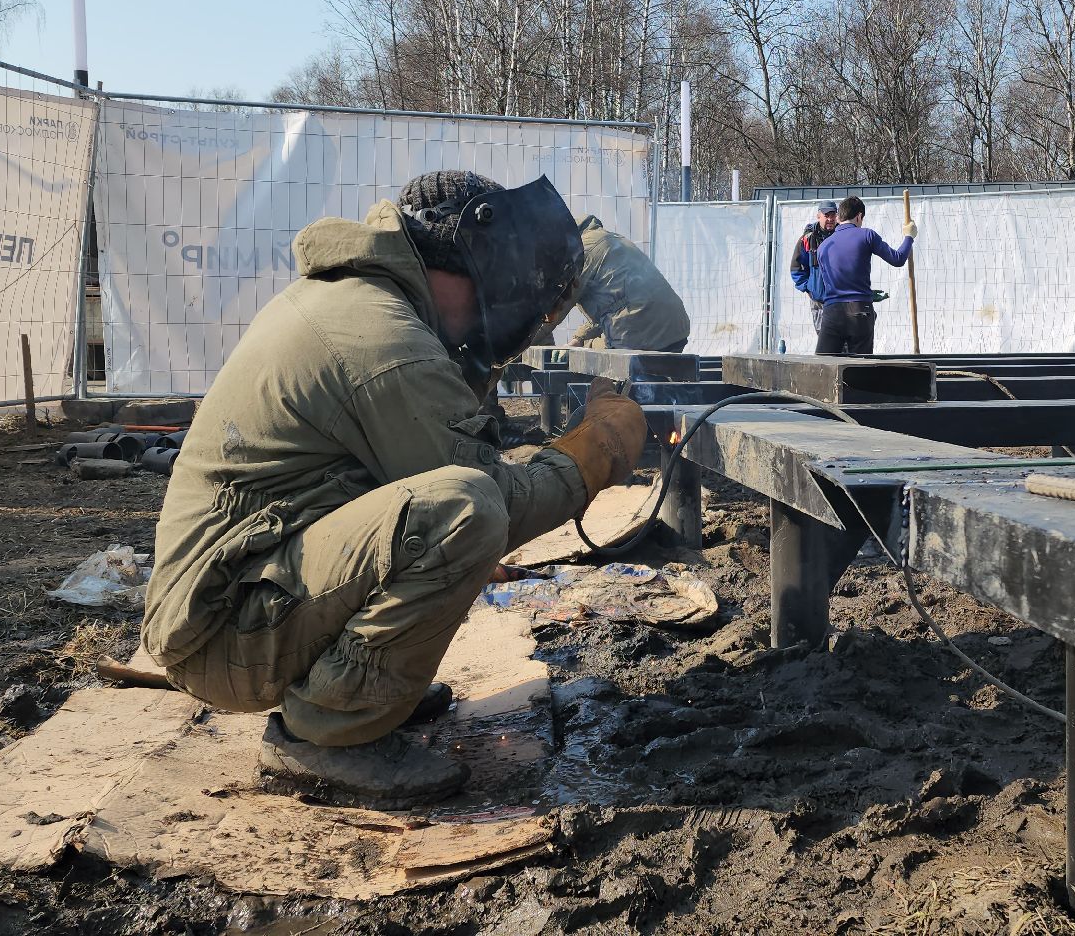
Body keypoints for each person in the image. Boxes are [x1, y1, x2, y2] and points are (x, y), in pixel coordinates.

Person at [141, 171, 649, 808]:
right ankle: (329, 735)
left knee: (449, 506)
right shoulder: (383, 340)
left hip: (240, 595)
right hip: (222, 631)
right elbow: (494, 499)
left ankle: (357, 694)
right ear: (472, 263)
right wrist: (595, 450)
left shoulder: (362, 301)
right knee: (464, 511)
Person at [565, 215, 692, 352]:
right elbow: (614, 306)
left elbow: (556, 311)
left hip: (638, 336)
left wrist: (540, 337)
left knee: (586, 355)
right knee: (585, 347)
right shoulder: (612, 239)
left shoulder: (583, 250)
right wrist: (578, 339)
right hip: (676, 332)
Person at [813, 195, 915, 355]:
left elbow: (831, 280)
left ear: (839, 217)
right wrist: (909, 237)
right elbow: (898, 259)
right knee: (860, 368)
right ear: (859, 216)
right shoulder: (867, 235)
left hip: (832, 311)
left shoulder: (822, 247)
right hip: (860, 309)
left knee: (824, 365)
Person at [788, 199, 840, 333]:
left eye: (833, 215)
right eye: (826, 215)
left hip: (842, 300)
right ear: (819, 216)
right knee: (825, 343)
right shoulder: (807, 239)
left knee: (844, 344)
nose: (830, 219)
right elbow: (796, 268)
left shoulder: (843, 235)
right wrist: (809, 289)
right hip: (819, 301)